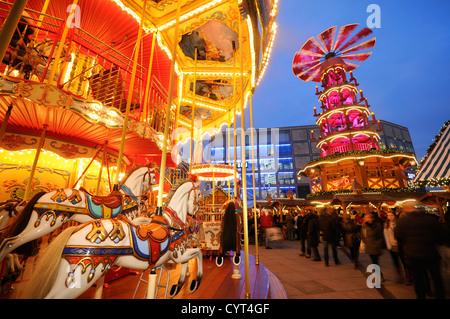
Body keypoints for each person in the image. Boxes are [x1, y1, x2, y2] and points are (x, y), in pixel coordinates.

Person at [395, 201, 448, 299]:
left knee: (418, 279)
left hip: (413, 255)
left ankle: (421, 296)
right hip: (431, 253)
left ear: (406, 209)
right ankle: (438, 295)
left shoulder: (402, 221)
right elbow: (442, 237)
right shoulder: (431, 219)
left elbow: (398, 237)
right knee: (436, 278)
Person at [383, 212, 410, 284]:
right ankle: (400, 276)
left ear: (395, 216)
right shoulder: (386, 224)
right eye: (388, 215)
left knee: (404, 261)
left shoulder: (399, 223)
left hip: (400, 245)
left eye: (391, 215)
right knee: (396, 262)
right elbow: (386, 236)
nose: (390, 217)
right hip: (392, 245)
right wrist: (388, 245)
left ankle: (408, 277)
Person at [361, 212, 384, 280]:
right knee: (374, 261)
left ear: (372, 218)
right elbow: (363, 235)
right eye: (365, 217)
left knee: (375, 261)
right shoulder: (364, 226)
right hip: (369, 245)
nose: (365, 218)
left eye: (367, 217)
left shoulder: (377, 225)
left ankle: (378, 276)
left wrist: (378, 244)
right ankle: (378, 275)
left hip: (376, 245)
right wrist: (366, 242)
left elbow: (380, 236)